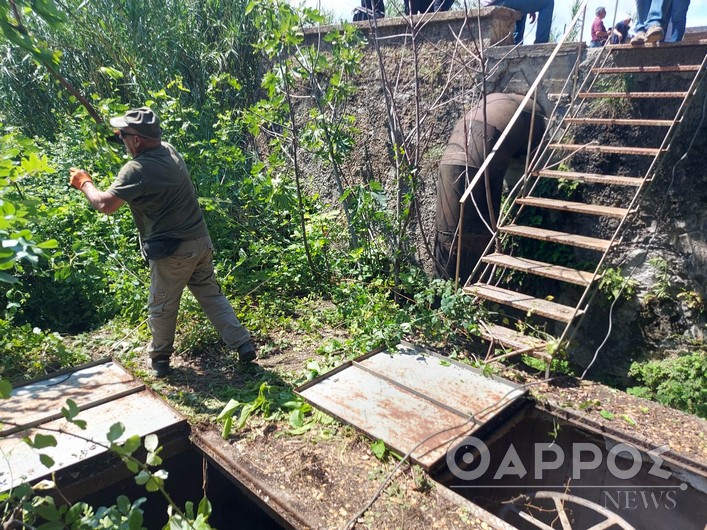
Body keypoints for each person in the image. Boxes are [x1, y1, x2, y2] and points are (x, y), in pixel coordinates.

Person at [69, 107, 256, 377]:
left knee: (162, 305)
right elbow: (140, 156)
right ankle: (242, 343)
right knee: (211, 295)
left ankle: (160, 360)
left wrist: (84, 182)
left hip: (173, 251)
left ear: (137, 140)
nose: (121, 139)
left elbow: (105, 204)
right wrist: (122, 135)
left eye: (124, 135)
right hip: (200, 241)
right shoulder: (169, 150)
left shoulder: (136, 169)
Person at [481, 0, 555, 44]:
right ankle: (541, 44)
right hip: (500, 1)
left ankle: (517, 42)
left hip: (488, 1)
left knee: (521, 7)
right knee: (548, 2)